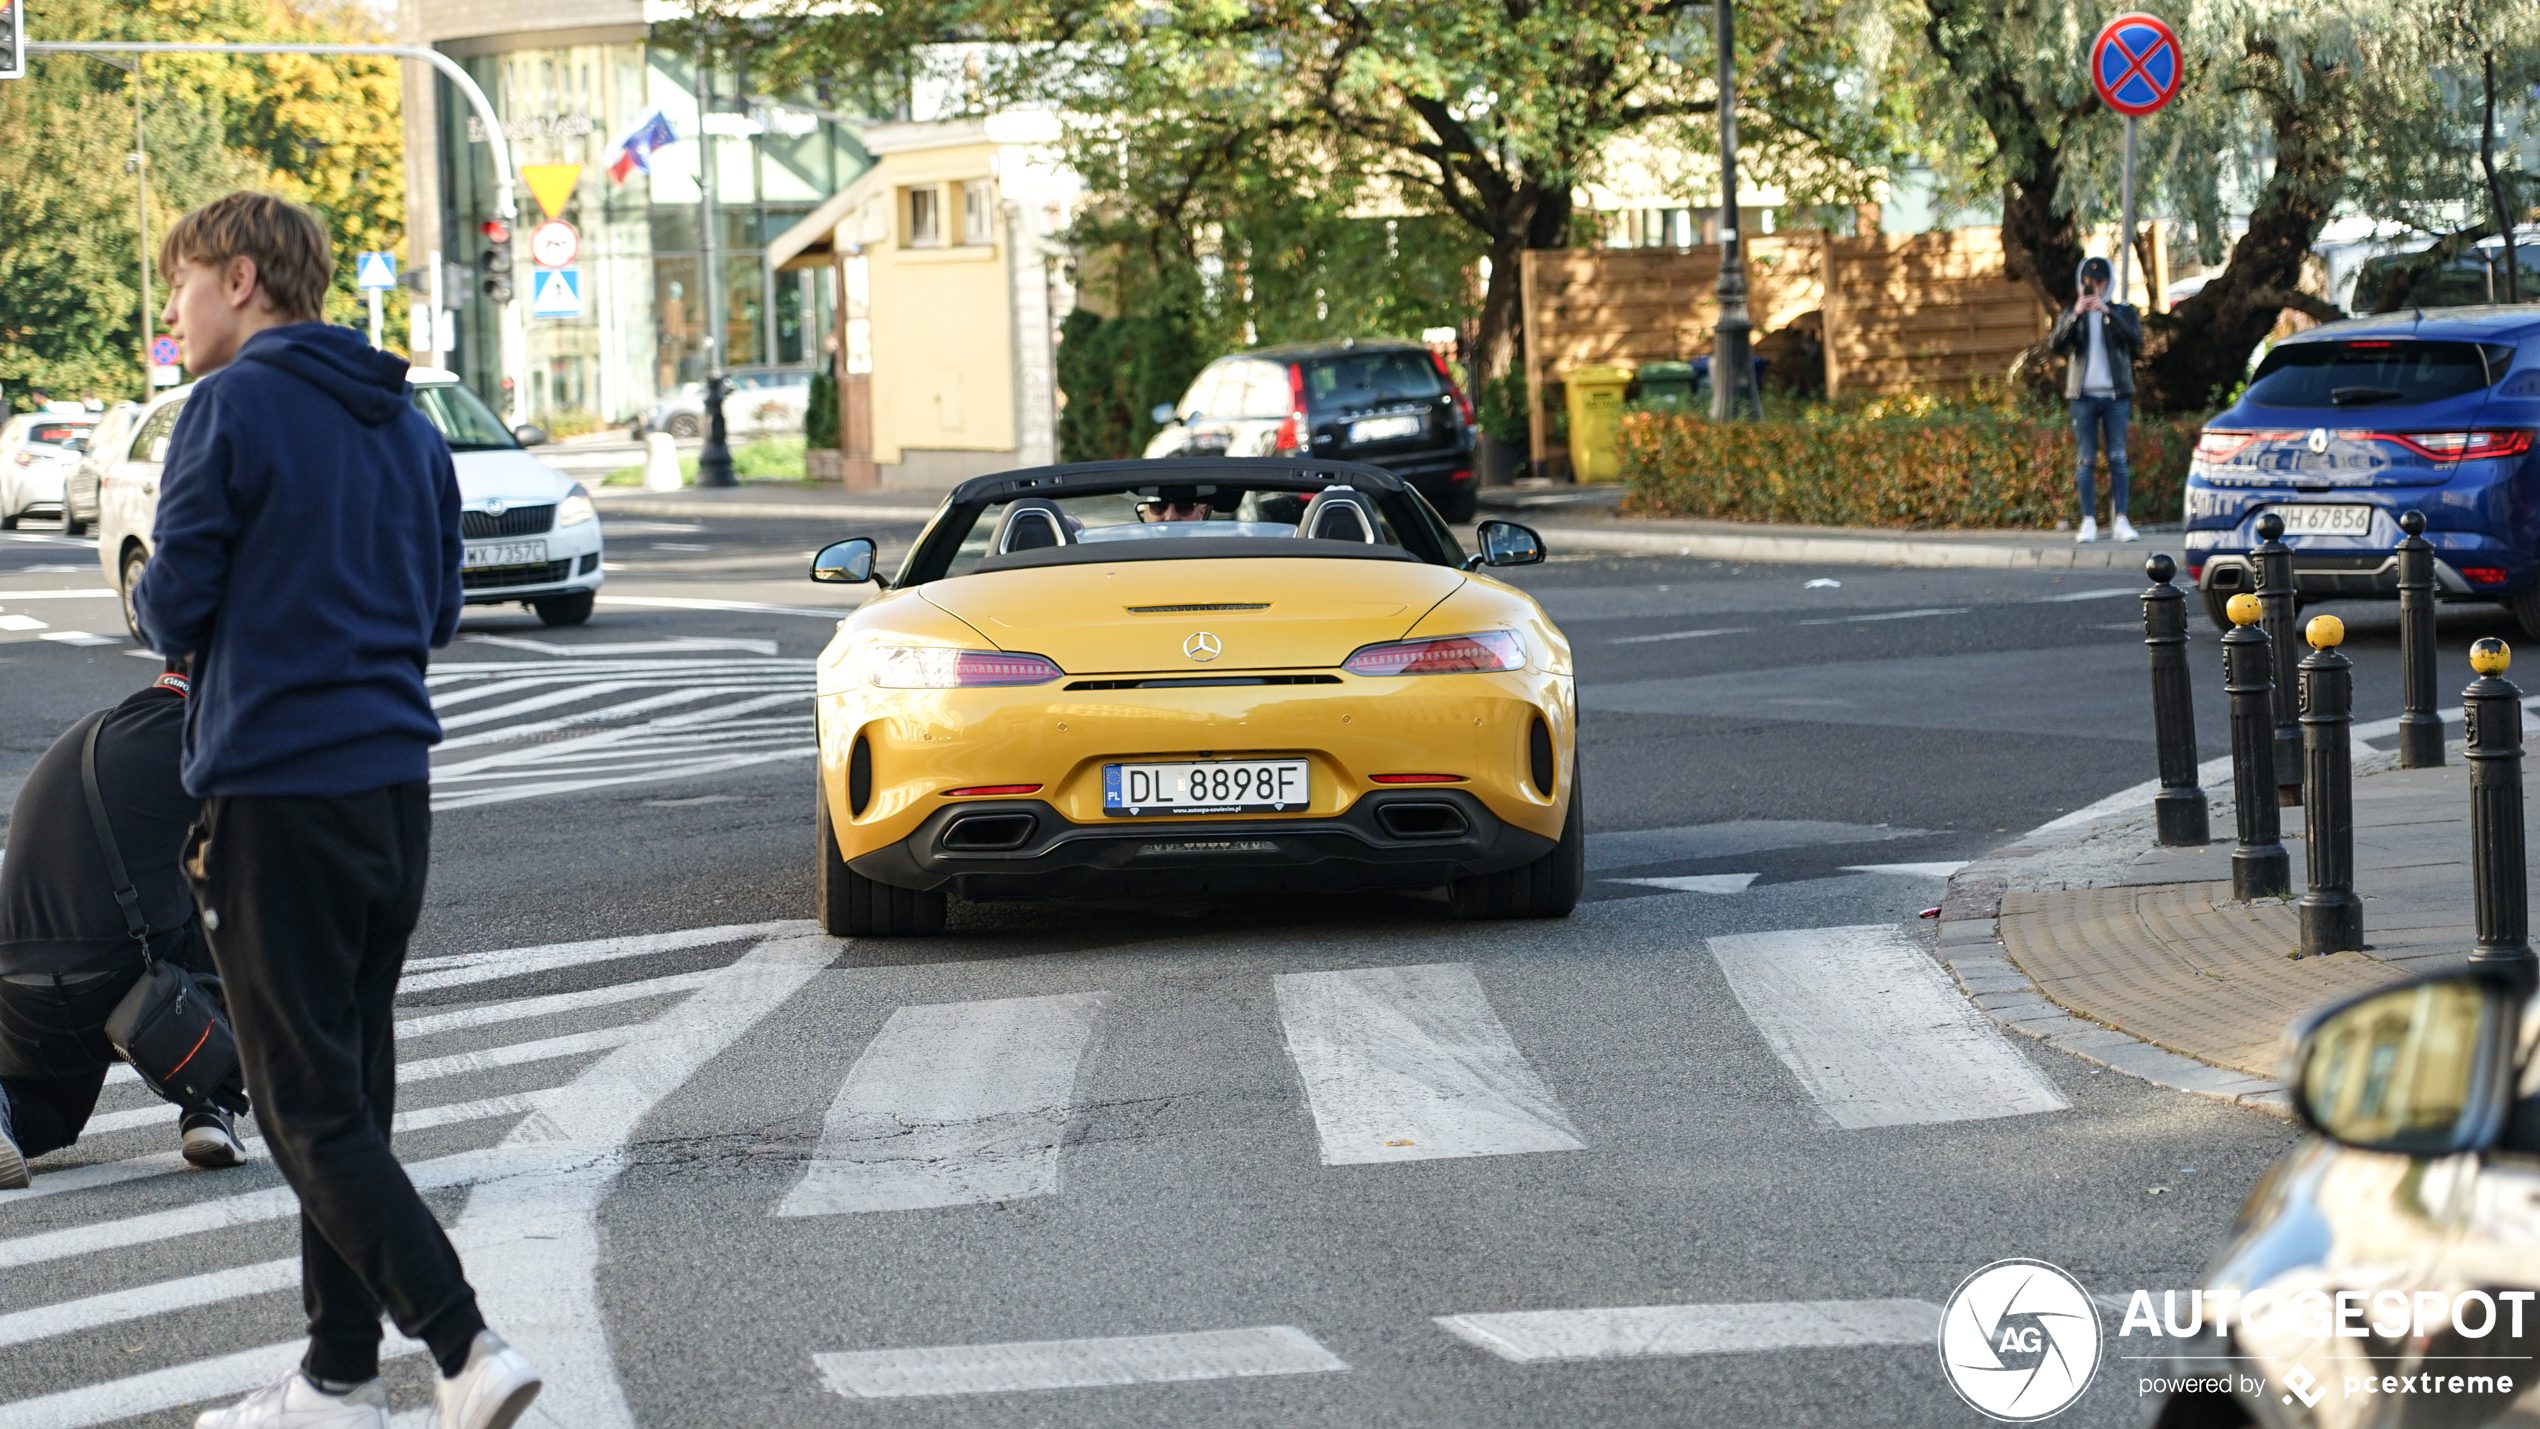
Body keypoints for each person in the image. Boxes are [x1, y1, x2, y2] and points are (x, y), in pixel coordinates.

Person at [133, 192, 541, 1429]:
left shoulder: (230, 406)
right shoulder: (408, 419)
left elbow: (175, 609)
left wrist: (163, 584)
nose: (172, 310)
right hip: (390, 792)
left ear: (244, 279)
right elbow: (437, 614)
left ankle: (465, 1347)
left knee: (302, 1105)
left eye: (184, 283)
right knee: (349, 1094)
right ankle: (337, 1380)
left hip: (274, 791)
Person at [0, 666, 248, 1188]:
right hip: (114, 982)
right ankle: (209, 1107)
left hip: (18, 994)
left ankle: (3, 1109)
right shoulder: (202, 737)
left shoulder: (92, 733)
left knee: (54, 1114)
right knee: (242, 923)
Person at [2048, 254, 2143, 544]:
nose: (2093, 287)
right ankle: (2088, 521)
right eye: (2088, 282)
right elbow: (2056, 346)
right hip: (2083, 397)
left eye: (2098, 282)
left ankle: (2121, 521)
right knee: (2085, 460)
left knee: (2118, 458)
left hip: (2115, 397)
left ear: (2108, 283)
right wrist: (2077, 313)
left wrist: (2107, 312)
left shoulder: (2123, 312)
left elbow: (2136, 341)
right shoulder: (2071, 314)